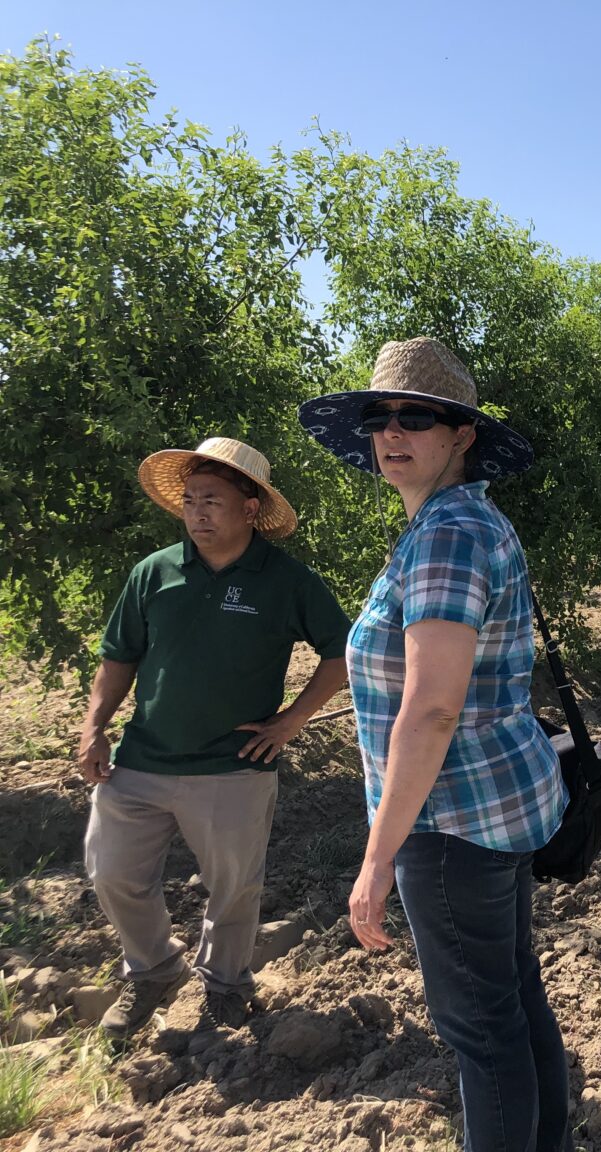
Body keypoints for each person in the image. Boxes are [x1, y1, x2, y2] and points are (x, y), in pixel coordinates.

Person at [299, 337, 572, 1152]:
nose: (392, 432)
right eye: (380, 417)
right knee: (513, 1002)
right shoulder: (455, 523)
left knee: (481, 1033)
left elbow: (431, 710)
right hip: (495, 806)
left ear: (463, 437)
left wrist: (378, 856)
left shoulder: (448, 533)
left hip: (450, 823)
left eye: (418, 417)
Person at [77, 437, 350, 1039]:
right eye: (190, 501)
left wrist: (291, 721)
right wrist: (95, 726)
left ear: (250, 509)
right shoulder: (154, 572)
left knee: (233, 888)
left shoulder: (285, 581)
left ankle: (226, 985)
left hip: (233, 768)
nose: (198, 513)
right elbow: (118, 657)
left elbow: (341, 652)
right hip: (142, 759)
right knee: (110, 870)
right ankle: (154, 970)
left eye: (213, 501)